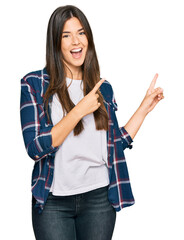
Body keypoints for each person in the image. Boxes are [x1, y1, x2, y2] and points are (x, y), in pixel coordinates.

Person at [20, 5, 164, 240]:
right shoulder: (34, 84)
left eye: (81, 32)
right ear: (55, 42)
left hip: (99, 200)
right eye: (66, 35)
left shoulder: (102, 88)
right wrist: (78, 111)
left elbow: (115, 144)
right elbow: (35, 148)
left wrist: (145, 108)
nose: (76, 41)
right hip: (54, 202)